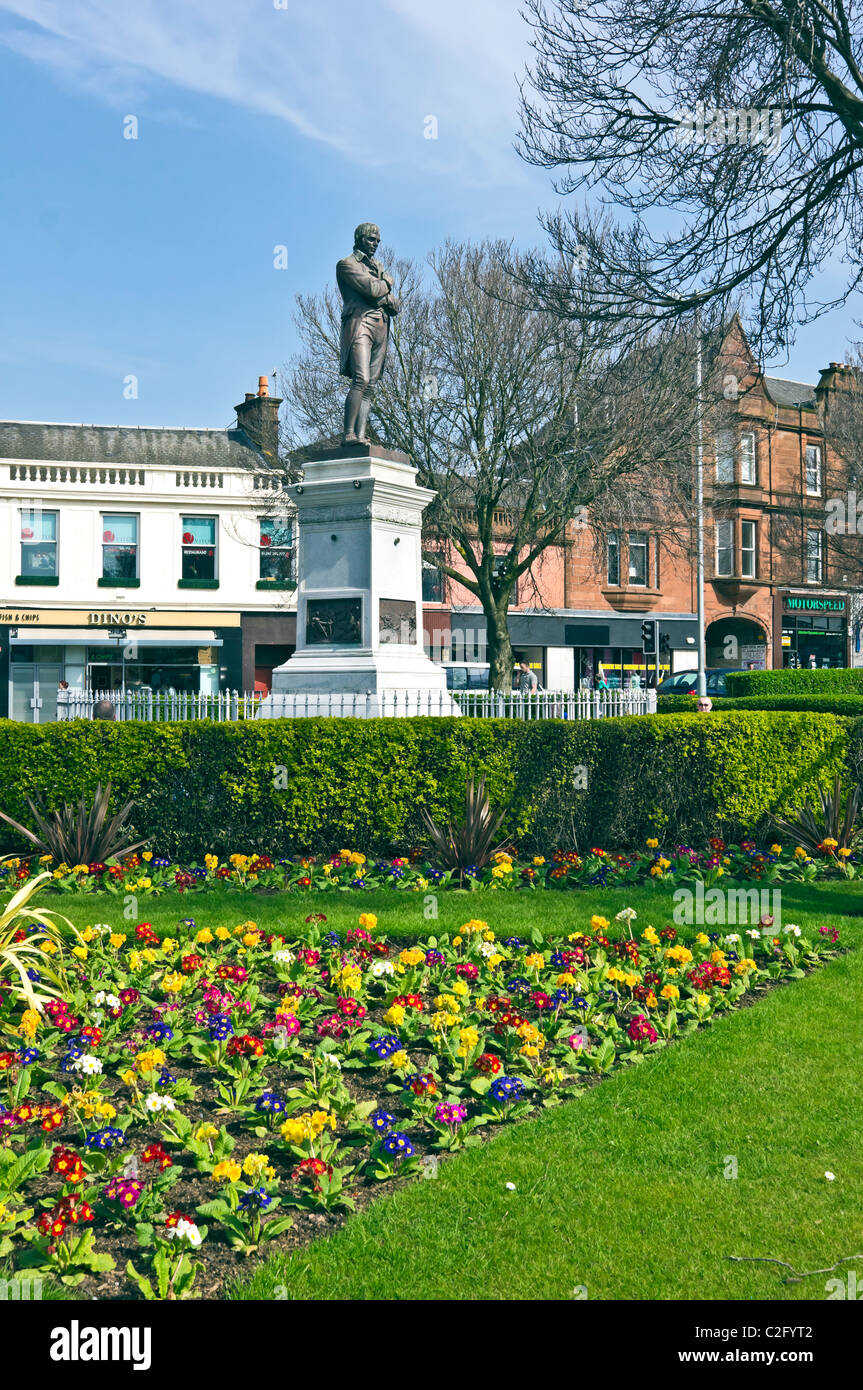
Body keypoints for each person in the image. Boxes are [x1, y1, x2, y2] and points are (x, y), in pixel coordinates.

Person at [336, 222, 399, 445]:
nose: (375, 245)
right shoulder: (346, 265)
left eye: (378, 241)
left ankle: (360, 435)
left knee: (371, 385)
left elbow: (395, 305)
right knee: (360, 379)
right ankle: (348, 435)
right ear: (360, 239)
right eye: (371, 240)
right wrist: (386, 283)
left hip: (381, 328)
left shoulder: (377, 268)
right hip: (360, 324)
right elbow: (374, 290)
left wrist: (381, 291)